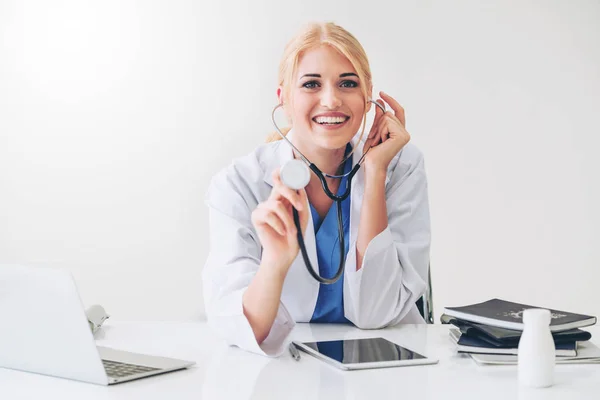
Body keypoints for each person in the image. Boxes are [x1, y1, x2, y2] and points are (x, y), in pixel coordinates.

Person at [202, 22, 431, 357]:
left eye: (348, 83)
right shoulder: (238, 184)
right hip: (286, 369)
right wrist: (275, 263)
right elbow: (244, 327)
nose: (331, 99)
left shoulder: (399, 166)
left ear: (368, 98)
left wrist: (375, 173)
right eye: (311, 84)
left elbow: (376, 315)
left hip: (386, 366)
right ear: (284, 99)